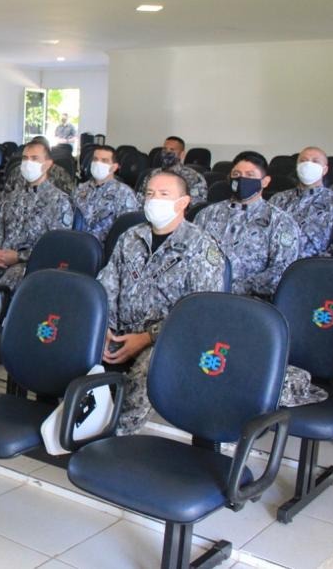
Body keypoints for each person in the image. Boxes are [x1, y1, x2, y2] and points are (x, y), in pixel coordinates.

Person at [97, 171, 227, 434]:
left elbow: (202, 312)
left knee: (150, 364)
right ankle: (77, 413)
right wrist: (104, 329)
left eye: (164, 194)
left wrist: (147, 337)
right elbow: (107, 285)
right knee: (85, 339)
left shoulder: (200, 246)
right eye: (149, 194)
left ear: (183, 202)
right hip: (121, 328)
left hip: (169, 337)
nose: (154, 200)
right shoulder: (130, 237)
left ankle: (117, 432)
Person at [194, 151, 301, 298]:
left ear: (265, 181)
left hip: (249, 301)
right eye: (236, 174)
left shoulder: (279, 221)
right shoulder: (207, 214)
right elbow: (191, 253)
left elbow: (282, 270)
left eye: (250, 175)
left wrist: (236, 286)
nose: (242, 179)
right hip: (203, 293)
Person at [0, 141, 74, 289]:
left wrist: (17, 257)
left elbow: (55, 247)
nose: (28, 163)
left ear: (47, 164)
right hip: (0, 260)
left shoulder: (59, 201)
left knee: (6, 285)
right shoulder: (12, 197)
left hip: (30, 264)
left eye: (34, 158)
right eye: (25, 158)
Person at [269, 147, 333, 256]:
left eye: (315, 161)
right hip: (278, 266)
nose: (308, 165)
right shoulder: (278, 200)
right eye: (303, 161)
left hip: (317, 268)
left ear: (325, 170)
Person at [71, 145, 140, 243]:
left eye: (104, 160)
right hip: (77, 244)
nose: (98, 163)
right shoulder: (80, 189)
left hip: (105, 249)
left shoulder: (124, 193)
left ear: (114, 167)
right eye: (95, 159)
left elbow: (128, 230)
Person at [137, 136, 208, 203]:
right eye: (165, 149)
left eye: (172, 150)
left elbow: (196, 205)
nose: (167, 153)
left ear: (182, 154)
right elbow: (140, 199)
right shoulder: (152, 174)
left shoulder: (194, 177)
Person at [2, 136, 75, 195]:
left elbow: (69, 196)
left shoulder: (59, 172)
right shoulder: (17, 171)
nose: (29, 162)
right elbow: (6, 194)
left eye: (35, 158)